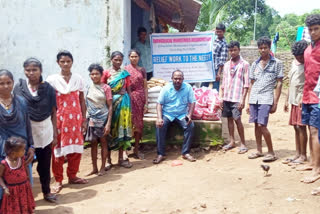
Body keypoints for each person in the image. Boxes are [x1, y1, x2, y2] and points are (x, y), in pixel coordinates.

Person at [13, 58, 57, 202]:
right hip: (25, 132)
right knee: (25, 165)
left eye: (34, 70)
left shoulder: (48, 89)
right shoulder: (19, 88)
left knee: (45, 164)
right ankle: (26, 196)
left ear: (41, 71)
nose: (31, 73)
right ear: (24, 71)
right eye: (28, 70)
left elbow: (53, 112)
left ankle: (46, 191)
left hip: (45, 131)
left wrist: (55, 133)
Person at [46, 50, 88, 194]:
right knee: (58, 150)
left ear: (72, 62)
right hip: (59, 119)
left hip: (76, 120)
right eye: (62, 61)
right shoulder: (52, 80)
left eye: (68, 61)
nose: (65, 64)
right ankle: (58, 180)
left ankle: (73, 175)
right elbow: (50, 102)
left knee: (76, 149)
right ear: (58, 63)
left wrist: (84, 119)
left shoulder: (78, 79)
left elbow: (82, 100)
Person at [246, 36, 283, 162]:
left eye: (265, 48)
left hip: (266, 98)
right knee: (256, 125)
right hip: (254, 98)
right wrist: (248, 101)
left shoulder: (277, 63)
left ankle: (271, 152)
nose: (263, 50)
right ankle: (259, 150)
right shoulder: (254, 64)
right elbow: (251, 83)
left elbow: (279, 83)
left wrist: (276, 102)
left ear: (269, 47)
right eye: (260, 48)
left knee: (262, 125)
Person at [0, 69, 35, 201]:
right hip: (1, 151)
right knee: (4, 186)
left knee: (23, 183)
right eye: (1, 83)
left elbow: (28, 125)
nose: (5, 86)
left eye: (8, 82)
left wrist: (31, 146)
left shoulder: (21, 102)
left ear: (13, 83)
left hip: (21, 151)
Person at [153, 70, 196, 164]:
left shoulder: (188, 87)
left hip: (182, 114)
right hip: (168, 114)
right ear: (172, 79)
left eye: (180, 79)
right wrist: (159, 118)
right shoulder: (166, 88)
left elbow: (192, 102)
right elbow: (159, 104)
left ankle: (185, 152)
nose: (177, 81)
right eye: (175, 78)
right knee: (160, 125)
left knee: (190, 126)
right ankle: (161, 153)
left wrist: (189, 115)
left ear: (183, 79)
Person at [101, 51, 133, 168]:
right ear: (111, 60)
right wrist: (113, 93)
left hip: (124, 105)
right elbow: (103, 88)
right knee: (110, 130)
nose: (118, 62)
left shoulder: (125, 73)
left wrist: (130, 107)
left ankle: (121, 158)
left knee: (122, 130)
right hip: (110, 104)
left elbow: (128, 89)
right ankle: (108, 160)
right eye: (116, 60)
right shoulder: (106, 73)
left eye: (120, 60)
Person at [299, 14, 320, 187]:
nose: (313, 32)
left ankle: (317, 169)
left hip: (318, 97)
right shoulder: (307, 49)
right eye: (310, 29)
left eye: (316, 29)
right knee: (308, 128)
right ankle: (312, 163)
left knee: (315, 131)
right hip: (307, 94)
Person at [220, 41, 249, 154]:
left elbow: (246, 84)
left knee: (237, 119)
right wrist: (221, 97)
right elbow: (223, 82)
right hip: (227, 96)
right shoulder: (226, 65)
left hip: (237, 97)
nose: (232, 52)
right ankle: (232, 141)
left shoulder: (244, 64)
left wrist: (243, 99)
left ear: (239, 50)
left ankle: (243, 143)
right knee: (229, 120)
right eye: (230, 50)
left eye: (235, 50)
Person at [283, 41, 308, 165]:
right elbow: (291, 82)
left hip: (301, 100)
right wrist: (287, 100)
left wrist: (303, 97)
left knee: (301, 127)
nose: (299, 58)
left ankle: (303, 155)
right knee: (295, 127)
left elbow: (309, 83)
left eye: (301, 56)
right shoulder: (294, 64)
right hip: (293, 100)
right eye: (297, 56)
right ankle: (297, 153)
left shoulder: (308, 65)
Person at [85, 63, 113, 176]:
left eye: (97, 74)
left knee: (103, 142)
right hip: (91, 118)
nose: (94, 76)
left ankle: (102, 167)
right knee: (93, 143)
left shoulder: (106, 88)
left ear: (101, 75)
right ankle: (94, 168)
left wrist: (108, 123)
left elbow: (110, 106)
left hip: (103, 118)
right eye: (92, 74)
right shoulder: (88, 87)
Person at [0, 137, 35, 214]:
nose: (24, 151)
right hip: (12, 192)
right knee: (14, 210)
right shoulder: (4, 164)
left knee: (24, 207)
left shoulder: (22, 159)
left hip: (24, 189)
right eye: (22, 150)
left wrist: (28, 178)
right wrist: (4, 187)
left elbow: (26, 168)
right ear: (13, 153)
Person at [124, 49, 148, 159]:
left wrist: (146, 102)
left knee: (138, 124)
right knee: (126, 123)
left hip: (140, 98)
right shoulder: (125, 70)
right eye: (132, 56)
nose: (134, 58)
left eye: (136, 56)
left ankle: (137, 149)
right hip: (128, 98)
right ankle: (124, 151)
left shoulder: (142, 70)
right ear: (129, 57)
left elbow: (145, 86)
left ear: (139, 57)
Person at [201, 23, 228, 90]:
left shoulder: (224, 44)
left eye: (220, 32)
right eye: (217, 31)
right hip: (208, 67)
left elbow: (222, 60)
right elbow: (204, 34)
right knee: (203, 86)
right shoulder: (213, 38)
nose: (218, 33)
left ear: (224, 31)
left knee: (215, 88)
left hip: (216, 68)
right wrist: (212, 31)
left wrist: (218, 73)